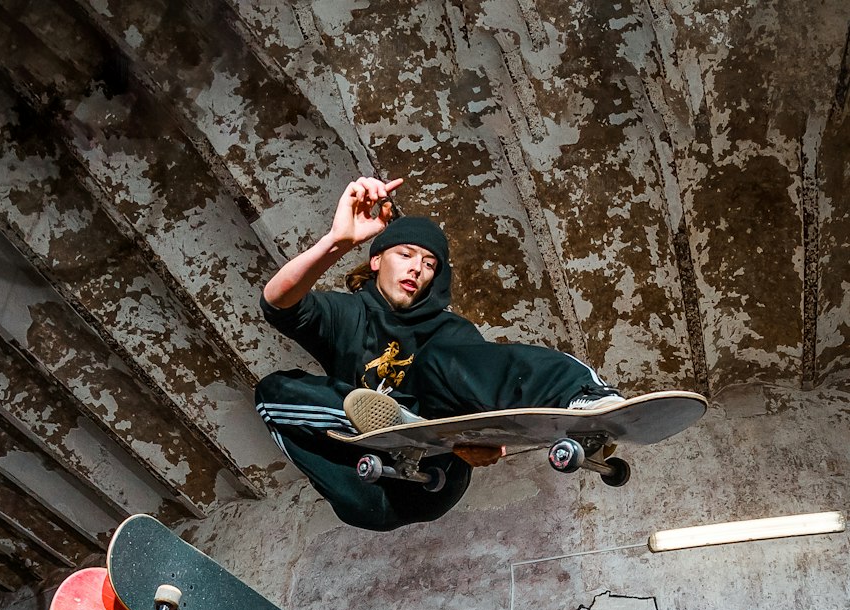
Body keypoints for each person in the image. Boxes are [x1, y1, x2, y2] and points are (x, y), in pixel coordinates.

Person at [255, 176, 624, 532]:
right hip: (362, 488)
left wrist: (482, 440)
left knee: (442, 359)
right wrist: (337, 241)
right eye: (405, 254)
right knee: (272, 391)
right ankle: (394, 422)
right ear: (376, 261)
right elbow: (277, 304)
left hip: (433, 482)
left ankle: (580, 395)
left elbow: (488, 395)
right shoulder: (345, 315)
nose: (417, 267)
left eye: (430, 264)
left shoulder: (450, 332)